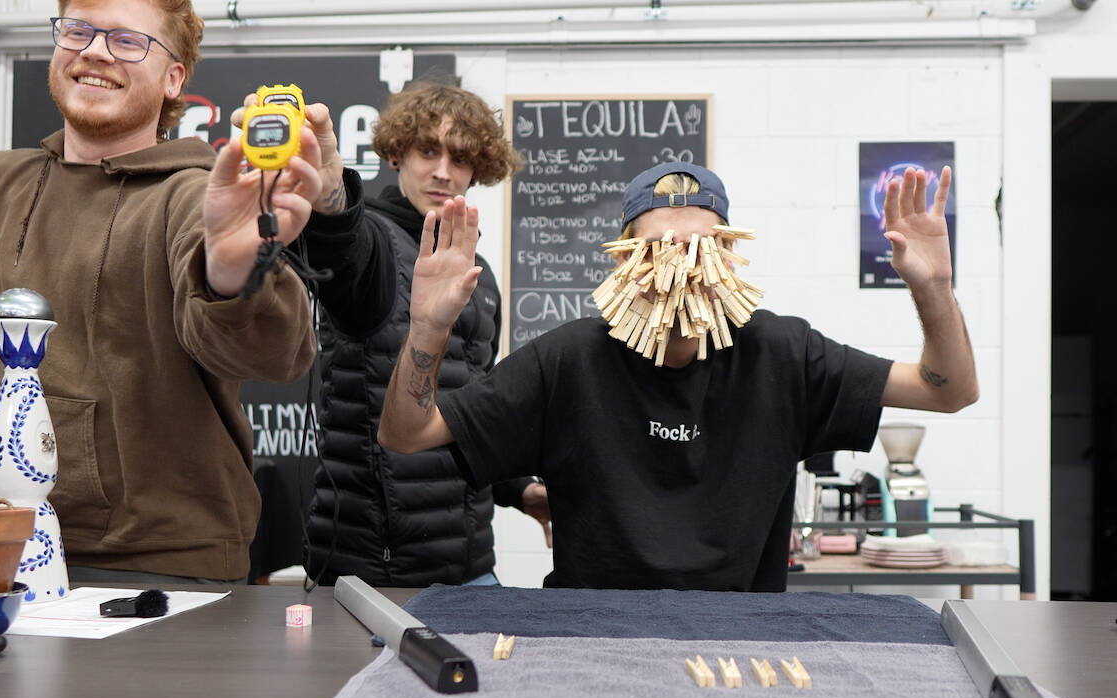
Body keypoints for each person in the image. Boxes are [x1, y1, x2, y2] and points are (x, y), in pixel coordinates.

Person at [378, 160, 979, 591]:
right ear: (626, 258)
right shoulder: (570, 359)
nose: (685, 268)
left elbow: (947, 391)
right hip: (593, 635)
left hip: (744, 637)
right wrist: (428, 329)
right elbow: (407, 435)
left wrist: (933, 288)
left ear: (729, 256)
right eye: (662, 249)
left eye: (704, 248)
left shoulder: (781, 351)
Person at [0, 0, 334, 583]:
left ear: (173, 78)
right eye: (79, 30)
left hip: (159, 575)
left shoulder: (193, 197)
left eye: (127, 41)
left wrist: (231, 272)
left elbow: (275, 352)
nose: (94, 50)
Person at [287, 81, 550, 586]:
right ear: (395, 153)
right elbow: (344, 244)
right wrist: (333, 199)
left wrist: (521, 490)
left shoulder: (481, 277)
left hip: (471, 564)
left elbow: (472, 406)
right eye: (428, 150)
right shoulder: (374, 244)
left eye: (461, 157)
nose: (443, 171)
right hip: (372, 568)